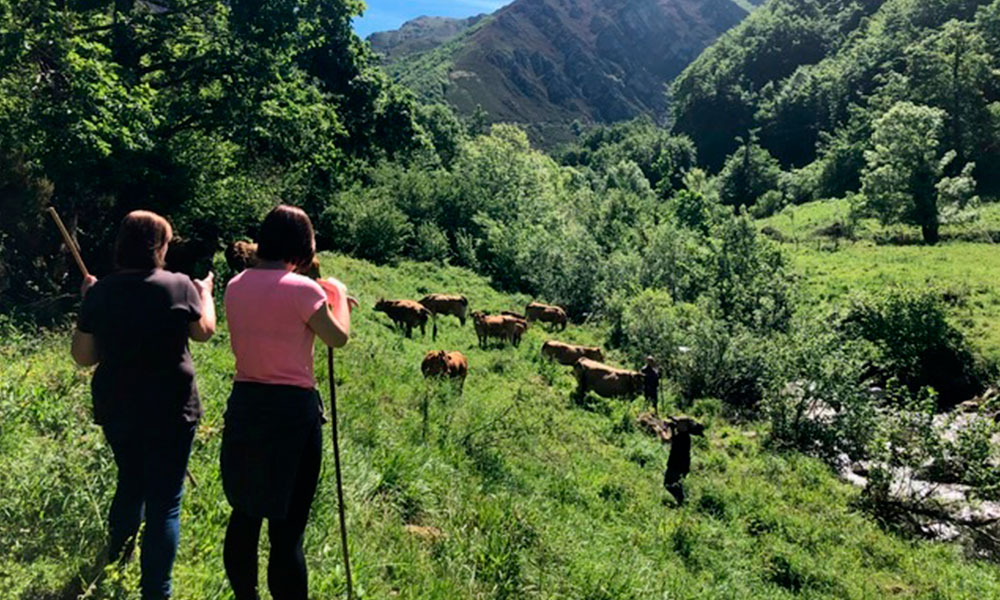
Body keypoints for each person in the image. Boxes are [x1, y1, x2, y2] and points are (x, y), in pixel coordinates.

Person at [71, 210, 216, 600]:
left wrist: (91, 304)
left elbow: (84, 357)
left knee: (130, 482)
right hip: (172, 407)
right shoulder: (180, 286)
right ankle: (157, 591)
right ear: (159, 247)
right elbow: (204, 333)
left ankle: (116, 561)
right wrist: (206, 294)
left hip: (119, 406)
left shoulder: (103, 292)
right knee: (165, 503)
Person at [222, 205, 355, 600]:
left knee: (245, 515)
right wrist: (340, 296)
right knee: (287, 529)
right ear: (302, 245)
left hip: (246, 404)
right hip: (292, 413)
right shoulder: (305, 291)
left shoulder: (236, 284)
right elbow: (338, 338)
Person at [663, 417, 706, 506]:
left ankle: (682, 501)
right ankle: (682, 502)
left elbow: (667, 439)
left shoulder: (683, 437)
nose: (677, 425)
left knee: (670, 484)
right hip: (680, 466)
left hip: (677, 466)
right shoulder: (683, 436)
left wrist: (664, 430)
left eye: (679, 424)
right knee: (675, 484)